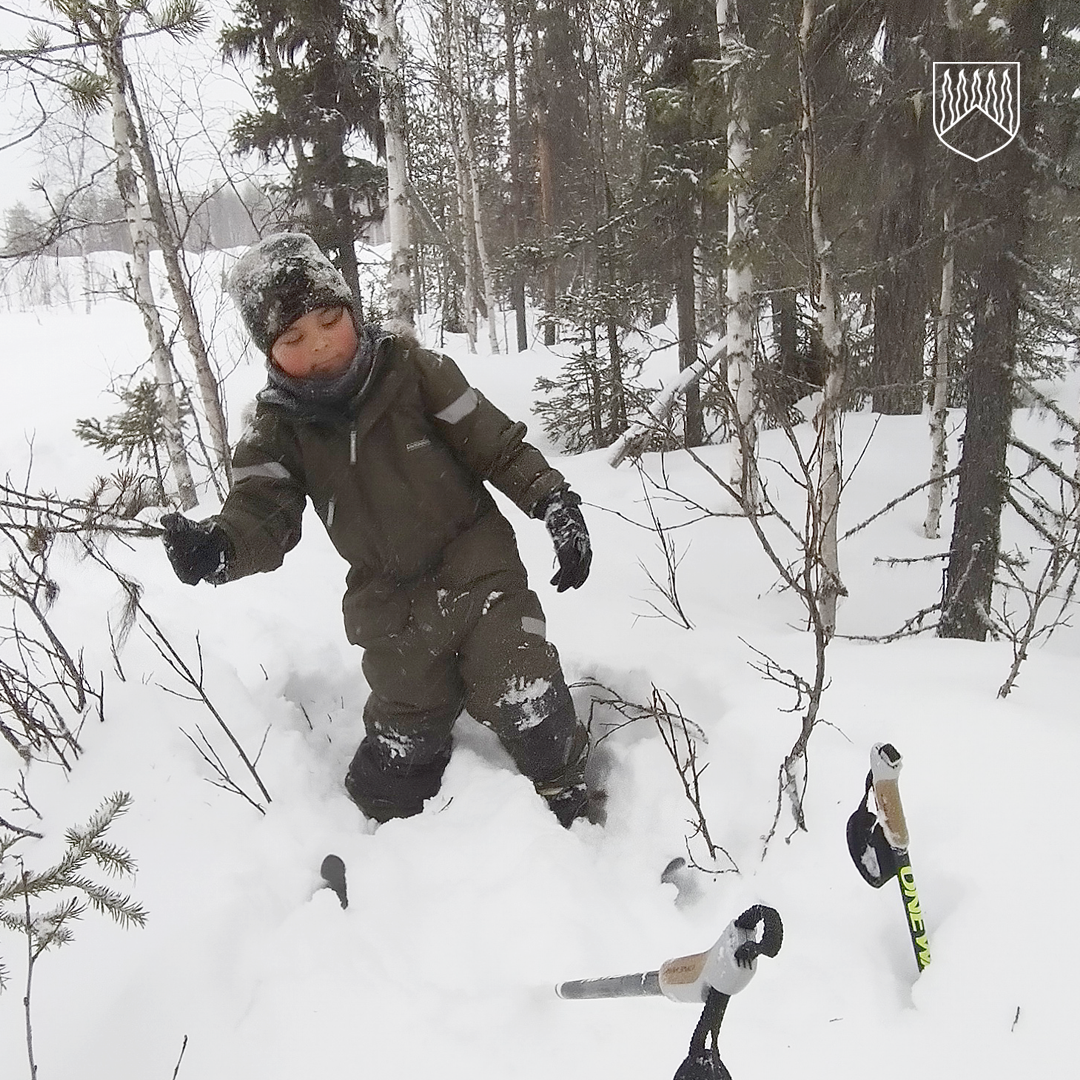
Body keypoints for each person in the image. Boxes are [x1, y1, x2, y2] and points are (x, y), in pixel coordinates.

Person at [160, 232, 593, 827]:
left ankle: (566, 784)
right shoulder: (277, 429)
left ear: (351, 311)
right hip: (389, 602)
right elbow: (263, 511)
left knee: (519, 683)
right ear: (269, 351)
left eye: (330, 320)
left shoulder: (415, 370)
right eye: (293, 338)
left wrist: (554, 501)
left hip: (475, 563)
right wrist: (221, 547)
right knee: (398, 751)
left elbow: (495, 445)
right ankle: (382, 844)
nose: (319, 346)